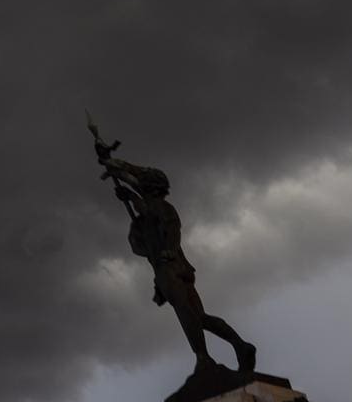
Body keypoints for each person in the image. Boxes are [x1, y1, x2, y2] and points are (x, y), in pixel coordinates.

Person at [97, 144, 257, 373]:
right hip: (177, 267)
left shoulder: (157, 207)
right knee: (199, 317)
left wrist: (123, 182)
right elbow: (139, 246)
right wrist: (120, 180)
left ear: (150, 188)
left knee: (184, 312)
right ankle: (240, 345)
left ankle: (203, 359)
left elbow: (162, 224)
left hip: (168, 266)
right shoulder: (149, 215)